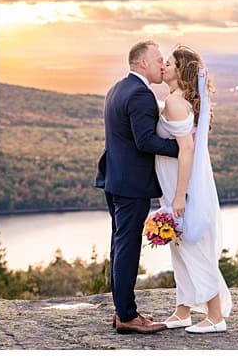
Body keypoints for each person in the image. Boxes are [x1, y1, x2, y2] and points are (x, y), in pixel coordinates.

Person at [95, 40, 178, 334]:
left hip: (113, 180)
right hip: (132, 185)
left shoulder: (116, 89)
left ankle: (123, 311)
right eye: (157, 60)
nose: (161, 65)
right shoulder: (141, 95)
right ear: (142, 63)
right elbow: (146, 142)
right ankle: (127, 316)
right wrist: (183, 147)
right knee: (127, 248)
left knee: (119, 246)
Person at [154, 45, 231, 333]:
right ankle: (182, 310)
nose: (164, 66)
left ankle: (215, 316)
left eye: (169, 64)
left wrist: (179, 195)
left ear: (180, 71)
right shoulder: (179, 98)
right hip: (178, 184)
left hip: (180, 185)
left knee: (193, 246)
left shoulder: (175, 102)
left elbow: (186, 149)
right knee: (180, 246)